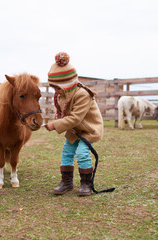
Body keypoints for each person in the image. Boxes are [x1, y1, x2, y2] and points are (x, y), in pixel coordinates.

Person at [44, 52, 104, 196]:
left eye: (58, 88)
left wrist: (56, 124)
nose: (56, 92)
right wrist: (58, 116)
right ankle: (66, 182)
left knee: (82, 153)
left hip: (88, 129)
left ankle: (86, 184)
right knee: (67, 152)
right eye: (54, 88)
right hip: (74, 130)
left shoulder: (82, 94)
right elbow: (64, 112)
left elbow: (76, 117)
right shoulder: (62, 95)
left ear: (67, 85)